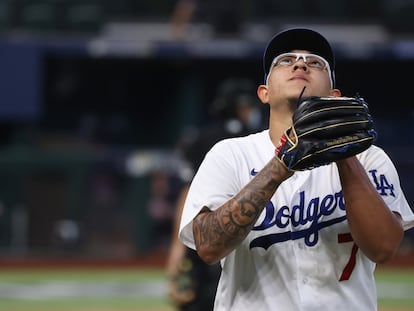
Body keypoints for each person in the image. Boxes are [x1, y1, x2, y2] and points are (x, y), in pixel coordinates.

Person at [178, 28, 414, 311]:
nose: (301, 64)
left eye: (315, 63)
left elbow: (384, 247)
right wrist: (280, 166)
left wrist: (345, 153)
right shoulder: (230, 154)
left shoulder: (368, 159)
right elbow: (208, 246)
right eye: (285, 61)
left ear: (333, 94)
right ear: (264, 93)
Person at [166, 78, 265, 310]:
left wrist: (176, 253)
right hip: (252, 242)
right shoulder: (259, 139)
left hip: (208, 243)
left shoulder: (200, 139)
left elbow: (187, 198)